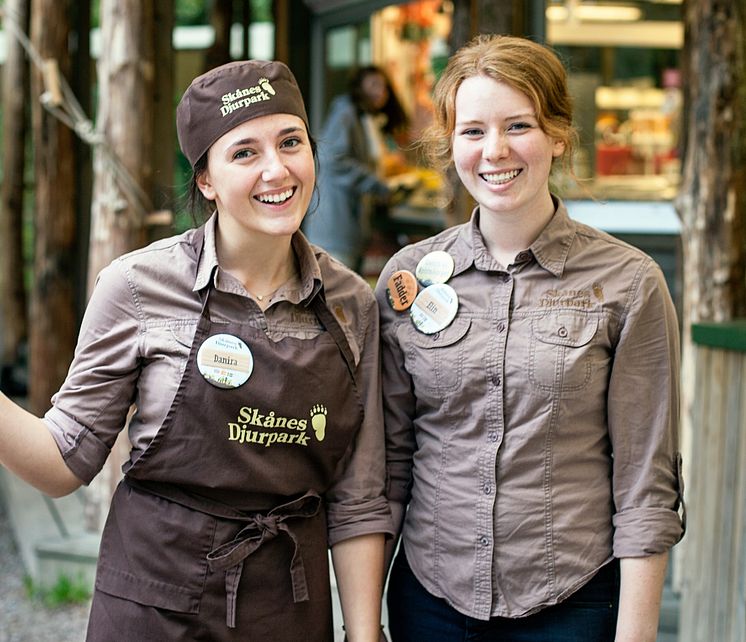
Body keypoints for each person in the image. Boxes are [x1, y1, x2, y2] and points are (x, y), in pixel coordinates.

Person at [0, 59, 393, 641]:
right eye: (244, 153)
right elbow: (64, 462)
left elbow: (358, 495)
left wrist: (365, 635)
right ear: (205, 179)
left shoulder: (349, 302)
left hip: (288, 603)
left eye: (291, 142)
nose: (277, 169)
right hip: (153, 597)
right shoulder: (137, 287)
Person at [375, 35, 685, 642]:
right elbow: (384, 470)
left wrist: (636, 634)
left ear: (559, 135)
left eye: (518, 125)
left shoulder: (630, 283)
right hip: (429, 603)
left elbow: (645, 482)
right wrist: (363, 625)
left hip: (574, 605)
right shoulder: (405, 279)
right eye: (472, 131)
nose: (494, 151)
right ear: (450, 144)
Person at [303, 65, 409, 273]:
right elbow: (334, 160)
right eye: (373, 85)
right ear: (358, 88)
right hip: (334, 226)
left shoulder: (366, 118)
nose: (380, 91)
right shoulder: (346, 112)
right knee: (335, 296)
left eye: (384, 87)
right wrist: (378, 185)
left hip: (349, 227)